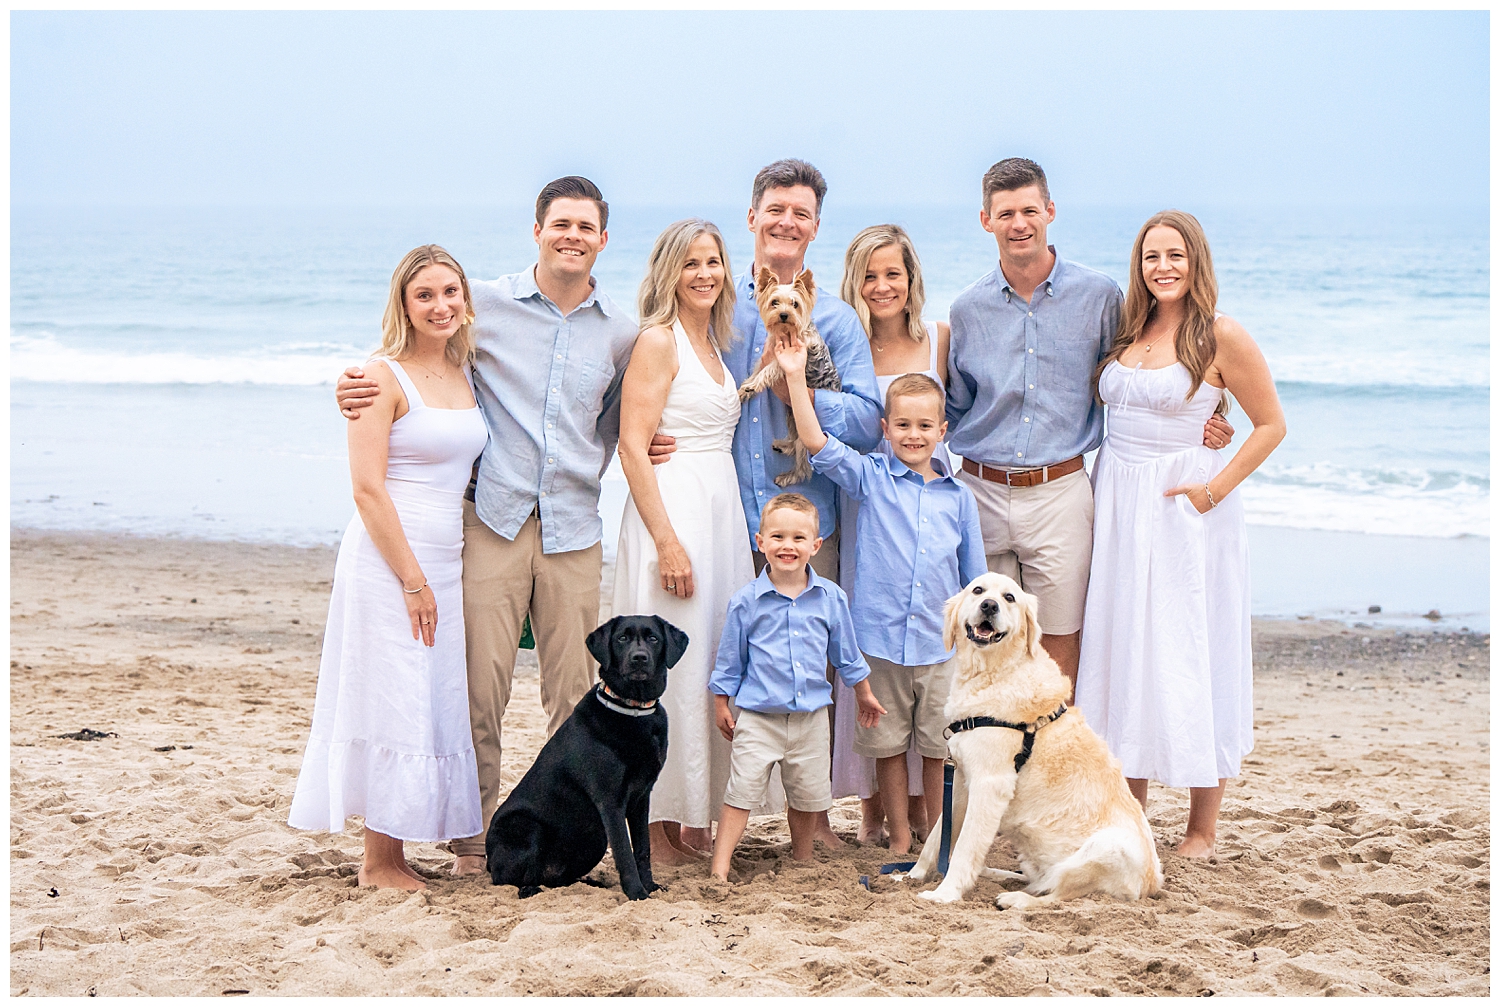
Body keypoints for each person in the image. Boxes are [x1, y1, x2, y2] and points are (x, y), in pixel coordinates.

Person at [335, 177, 639, 876]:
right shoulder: (486, 307)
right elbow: (418, 364)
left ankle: (571, 841)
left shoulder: (620, 331)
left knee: (575, 697)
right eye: (560, 223)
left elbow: (628, 418)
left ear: (602, 238)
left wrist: (658, 441)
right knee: (479, 690)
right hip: (492, 524)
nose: (572, 235)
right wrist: (353, 388)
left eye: (585, 226)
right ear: (537, 229)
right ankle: (474, 842)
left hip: (574, 528)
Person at [651, 159, 883, 849]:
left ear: (815, 226)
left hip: (803, 522)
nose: (786, 222)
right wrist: (644, 436)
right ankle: (693, 814)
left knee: (810, 670)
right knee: (714, 665)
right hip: (719, 513)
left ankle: (810, 824)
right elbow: (660, 376)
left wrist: (795, 392)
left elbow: (869, 419)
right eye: (775, 209)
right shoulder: (712, 303)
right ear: (752, 217)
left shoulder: (836, 318)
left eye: (801, 213)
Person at [946, 158, 1233, 697]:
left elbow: (1142, 369)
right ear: (986, 220)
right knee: (979, 640)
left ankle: (1046, 764)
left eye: (1030, 210)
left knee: (1059, 639)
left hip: (1061, 493)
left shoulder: (1100, 298)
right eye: (1005, 213)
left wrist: (1211, 415)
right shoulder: (966, 309)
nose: (1019, 223)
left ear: (1050, 212)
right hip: (978, 490)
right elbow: (955, 406)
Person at [1075, 210, 1285, 858]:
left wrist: (1210, 490)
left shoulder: (1221, 334)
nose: (1162, 267)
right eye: (1150, 257)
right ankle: (1130, 810)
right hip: (1118, 496)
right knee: (1124, 648)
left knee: (1193, 647)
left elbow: (1271, 424)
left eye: (1175, 255)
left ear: (1196, 261)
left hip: (1184, 509)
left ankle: (1201, 828)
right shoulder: (1127, 331)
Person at [289, 245, 488, 891]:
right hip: (390, 559)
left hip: (447, 557)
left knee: (423, 695)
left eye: (451, 291)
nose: (441, 305)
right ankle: (378, 863)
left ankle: (395, 851)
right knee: (391, 693)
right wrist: (412, 579)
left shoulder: (465, 371)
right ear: (403, 303)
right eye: (425, 294)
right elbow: (368, 488)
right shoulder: (378, 376)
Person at [779, 344, 986, 856]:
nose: (912, 436)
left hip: (940, 648)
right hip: (878, 643)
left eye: (924, 426)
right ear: (886, 428)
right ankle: (897, 837)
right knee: (889, 749)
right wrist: (792, 378)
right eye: (902, 426)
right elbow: (817, 441)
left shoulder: (960, 499)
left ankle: (941, 841)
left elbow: (975, 582)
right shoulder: (870, 479)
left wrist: (980, 646)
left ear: (942, 432)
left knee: (939, 750)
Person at [612, 219, 754, 865]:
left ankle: (691, 818)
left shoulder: (714, 341)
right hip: (674, 513)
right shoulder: (658, 340)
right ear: (669, 271)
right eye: (691, 263)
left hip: (718, 508)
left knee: (708, 667)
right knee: (668, 670)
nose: (704, 273)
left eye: (714, 261)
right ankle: (657, 830)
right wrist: (667, 543)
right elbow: (633, 448)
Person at [832, 224, 950, 846]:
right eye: (869, 276)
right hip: (866, 510)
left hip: (928, 509)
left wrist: (1213, 415)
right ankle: (874, 811)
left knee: (923, 667)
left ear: (911, 280)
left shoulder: (940, 340)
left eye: (893, 274)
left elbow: (973, 416)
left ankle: (925, 816)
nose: (882, 287)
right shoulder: (843, 347)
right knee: (873, 655)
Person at [708, 493, 885, 881]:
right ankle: (720, 868)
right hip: (758, 717)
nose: (788, 546)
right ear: (761, 542)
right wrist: (722, 702)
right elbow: (730, 658)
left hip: (811, 719)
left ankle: (801, 859)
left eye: (799, 539)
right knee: (740, 792)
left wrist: (864, 693)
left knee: (806, 796)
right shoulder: (746, 602)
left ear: (815, 546)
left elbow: (846, 654)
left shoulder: (830, 598)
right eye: (778, 537)